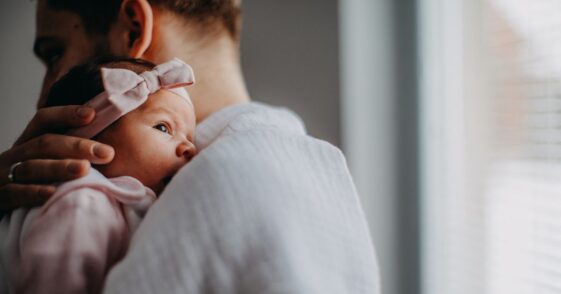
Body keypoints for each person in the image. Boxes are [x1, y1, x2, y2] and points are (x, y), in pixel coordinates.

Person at [0, 0, 381, 293]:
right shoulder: (314, 169)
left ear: (133, 28)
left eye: (54, 53)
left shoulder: (217, 183)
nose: (43, 95)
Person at [0, 57, 197, 294]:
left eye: (190, 138)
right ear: (88, 140)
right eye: (163, 128)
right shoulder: (83, 201)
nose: (190, 148)